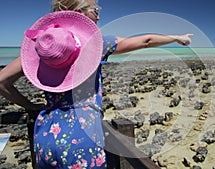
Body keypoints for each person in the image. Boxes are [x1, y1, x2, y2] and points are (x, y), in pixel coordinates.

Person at [0, 0, 192, 168]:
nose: (98, 17)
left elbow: (2, 81)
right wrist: (176, 38)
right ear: (75, 11)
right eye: (95, 10)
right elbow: (146, 41)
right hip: (83, 137)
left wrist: (31, 106)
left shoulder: (40, 50)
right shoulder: (97, 44)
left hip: (45, 136)